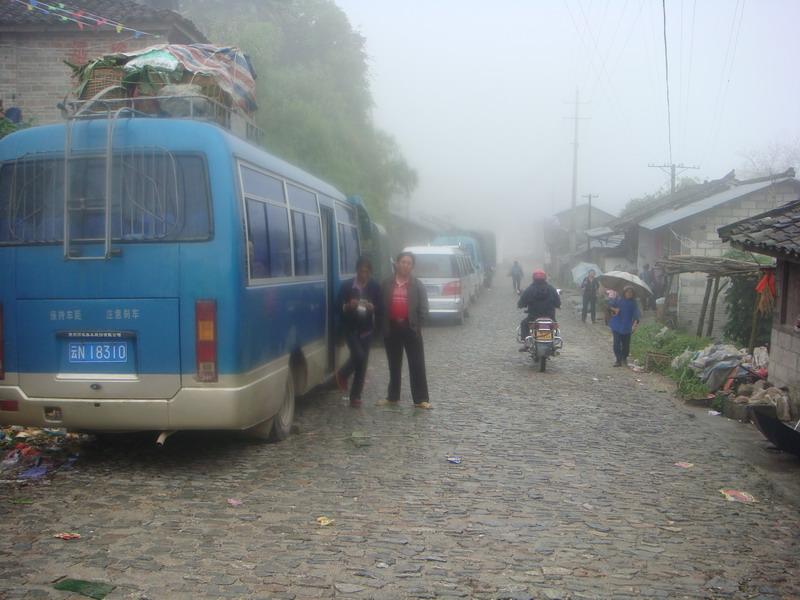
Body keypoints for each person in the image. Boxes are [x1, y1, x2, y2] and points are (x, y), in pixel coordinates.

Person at [379, 251, 432, 409]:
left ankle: (421, 399)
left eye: (409, 263)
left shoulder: (417, 285)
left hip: (411, 328)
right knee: (394, 364)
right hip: (392, 328)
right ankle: (392, 397)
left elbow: (424, 307)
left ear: (412, 266)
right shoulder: (387, 283)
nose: (405, 265)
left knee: (417, 364)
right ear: (396, 263)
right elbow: (381, 306)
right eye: (403, 262)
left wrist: (419, 326)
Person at [335, 256, 383, 407]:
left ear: (370, 272)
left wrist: (372, 307)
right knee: (359, 355)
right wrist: (349, 305)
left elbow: (381, 306)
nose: (364, 275)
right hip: (350, 328)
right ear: (357, 271)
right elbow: (337, 306)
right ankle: (342, 374)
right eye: (362, 271)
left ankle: (355, 397)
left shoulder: (375, 286)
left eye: (367, 272)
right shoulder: (347, 286)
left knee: (363, 364)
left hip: (367, 329)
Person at [517, 269, 561, 341]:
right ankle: (554, 340)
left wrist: (521, 305)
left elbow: (521, 303)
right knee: (555, 326)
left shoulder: (529, 290)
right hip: (550, 317)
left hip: (533, 318)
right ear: (545, 278)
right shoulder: (551, 289)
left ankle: (526, 342)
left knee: (524, 324)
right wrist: (558, 305)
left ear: (533, 278)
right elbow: (558, 303)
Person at [608, 285, 641, 367]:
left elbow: (636, 314)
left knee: (626, 344)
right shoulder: (618, 299)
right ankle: (618, 360)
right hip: (617, 324)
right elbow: (609, 305)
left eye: (631, 292)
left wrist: (635, 324)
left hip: (627, 326)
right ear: (624, 293)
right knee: (616, 343)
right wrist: (615, 309)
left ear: (633, 294)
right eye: (627, 292)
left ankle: (624, 357)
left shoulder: (633, 303)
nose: (629, 294)